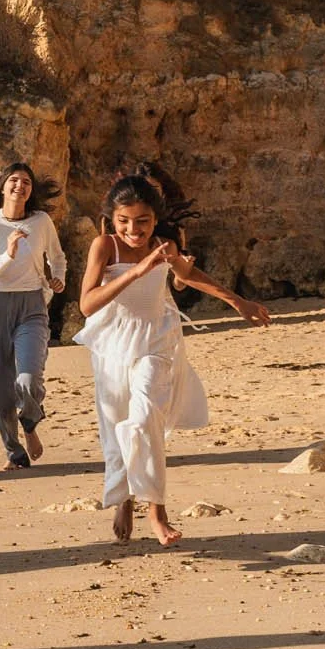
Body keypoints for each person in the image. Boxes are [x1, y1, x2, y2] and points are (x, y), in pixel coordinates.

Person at [75, 163, 270, 547]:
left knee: (146, 417)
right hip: (112, 343)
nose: (134, 230)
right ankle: (124, 497)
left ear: (155, 218)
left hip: (157, 340)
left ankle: (156, 509)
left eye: (143, 221)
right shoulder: (105, 246)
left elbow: (191, 276)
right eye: (124, 221)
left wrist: (239, 302)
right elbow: (87, 304)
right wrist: (136, 271)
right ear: (112, 219)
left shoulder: (165, 246)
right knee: (115, 425)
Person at [0, 161, 67, 470]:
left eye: (26, 181)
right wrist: (8, 254)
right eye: (14, 180)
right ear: (2, 187)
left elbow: (57, 257)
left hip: (32, 305)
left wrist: (58, 278)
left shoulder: (41, 221)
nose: (20, 186)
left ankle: (29, 421)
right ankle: (14, 452)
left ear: (31, 190)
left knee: (28, 377)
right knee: (0, 385)